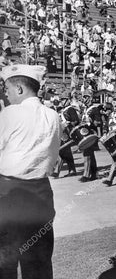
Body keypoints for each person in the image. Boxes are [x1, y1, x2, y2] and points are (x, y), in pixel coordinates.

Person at [0, 64, 61, 279]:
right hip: (41, 195)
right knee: (38, 264)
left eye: (7, 88)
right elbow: (52, 157)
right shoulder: (53, 116)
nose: (5, 93)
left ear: (19, 89)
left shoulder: (10, 113)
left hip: (10, 195)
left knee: (4, 263)